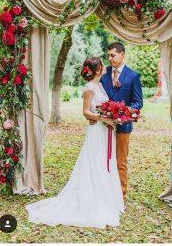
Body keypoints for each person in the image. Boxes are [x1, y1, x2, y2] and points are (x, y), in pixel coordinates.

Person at [25, 57, 124, 229]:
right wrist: (104, 118)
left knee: (103, 163)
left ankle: (103, 197)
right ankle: (90, 200)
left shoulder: (100, 85)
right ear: (98, 69)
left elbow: (101, 107)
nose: (104, 65)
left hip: (104, 131)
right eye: (102, 63)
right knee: (94, 163)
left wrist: (112, 116)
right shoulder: (90, 87)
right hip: (96, 132)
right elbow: (85, 112)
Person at [100, 42, 143, 200]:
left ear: (122, 54)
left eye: (113, 55)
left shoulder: (133, 76)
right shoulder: (103, 74)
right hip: (103, 126)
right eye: (108, 55)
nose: (110, 58)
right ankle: (104, 192)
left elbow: (138, 103)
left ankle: (121, 195)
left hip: (123, 126)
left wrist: (123, 113)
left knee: (120, 161)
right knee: (103, 159)